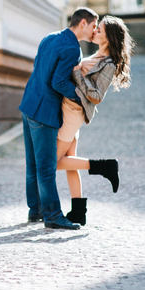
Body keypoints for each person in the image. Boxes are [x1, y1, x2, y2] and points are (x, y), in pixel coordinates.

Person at [18, 7, 98, 230]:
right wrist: (82, 97)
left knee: (32, 165)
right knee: (46, 167)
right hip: (44, 113)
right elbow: (58, 82)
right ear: (83, 23)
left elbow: (38, 68)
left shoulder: (49, 37)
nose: (94, 31)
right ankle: (52, 215)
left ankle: (36, 211)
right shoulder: (73, 48)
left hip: (28, 105)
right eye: (93, 26)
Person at [55, 15, 134, 226]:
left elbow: (97, 96)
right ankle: (78, 212)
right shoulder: (96, 55)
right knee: (71, 160)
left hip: (73, 111)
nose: (94, 31)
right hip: (70, 108)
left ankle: (103, 166)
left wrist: (77, 74)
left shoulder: (108, 63)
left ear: (108, 38)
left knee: (52, 163)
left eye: (99, 30)